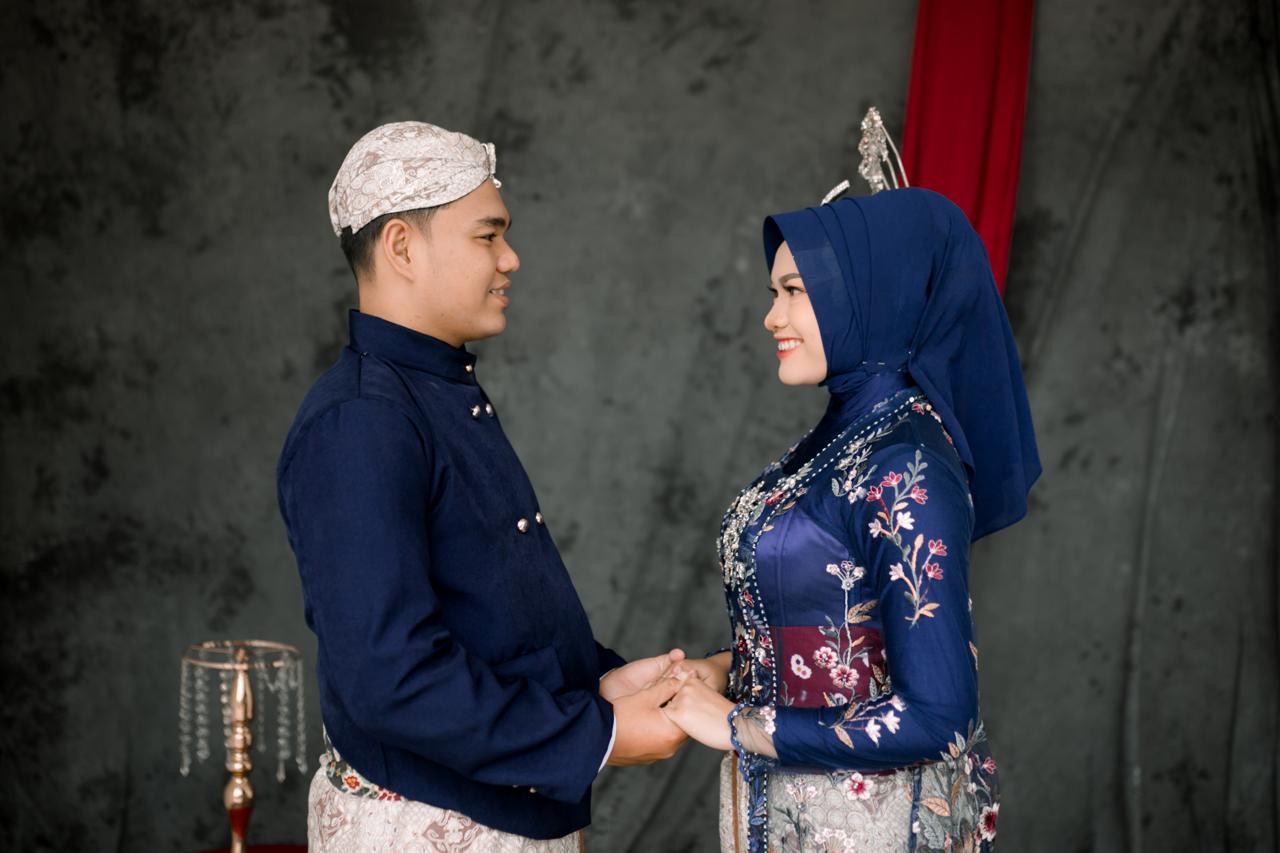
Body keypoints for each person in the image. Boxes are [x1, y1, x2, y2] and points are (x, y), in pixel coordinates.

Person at [276, 121, 688, 851]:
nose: (510, 258)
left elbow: (488, 611)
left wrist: (599, 686)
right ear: (402, 247)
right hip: (425, 827)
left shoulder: (433, 392)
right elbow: (392, 678)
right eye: (487, 235)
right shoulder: (363, 420)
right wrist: (595, 733)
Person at [660, 187, 1040, 852]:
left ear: (872, 294)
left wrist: (736, 724)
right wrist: (723, 668)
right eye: (775, 292)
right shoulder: (841, 438)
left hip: (872, 826)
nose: (771, 316)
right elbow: (827, 620)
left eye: (795, 291)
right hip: (783, 809)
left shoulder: (905, 464)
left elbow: (939, 715)